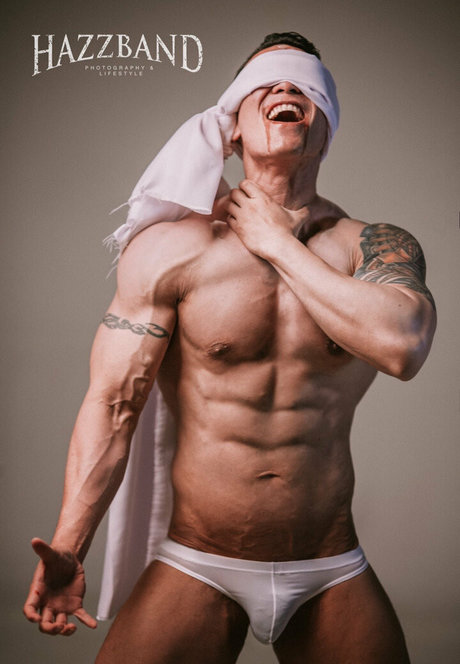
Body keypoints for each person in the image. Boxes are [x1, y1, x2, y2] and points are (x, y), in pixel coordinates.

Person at [23, 32, 436, 663]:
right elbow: (114, 406)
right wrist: (69, 547)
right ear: (231, 127)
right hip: (199, 560)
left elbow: (403, 345)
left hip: (330, 565)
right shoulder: (172, 250)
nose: (285, 88)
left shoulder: (372, 245)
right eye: (266, 82)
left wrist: (278, 243)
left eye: (305, 85)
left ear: (326, 125)